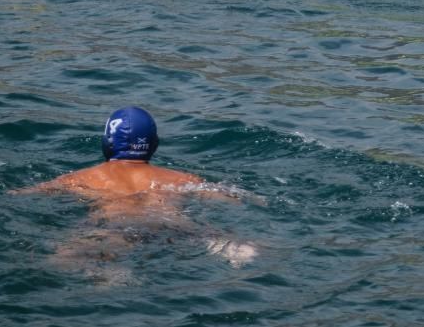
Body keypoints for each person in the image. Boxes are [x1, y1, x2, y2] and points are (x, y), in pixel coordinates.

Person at [17, 106, 257, 277]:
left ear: (108, 140)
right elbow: (231, 198)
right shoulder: (180, 178)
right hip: (173, 226)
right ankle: (230, 248)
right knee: (211, 235)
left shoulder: (82, 178)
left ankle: (112, 275)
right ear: (153, 143)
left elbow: (26, 194)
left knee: (64, 260)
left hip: (117, 228)